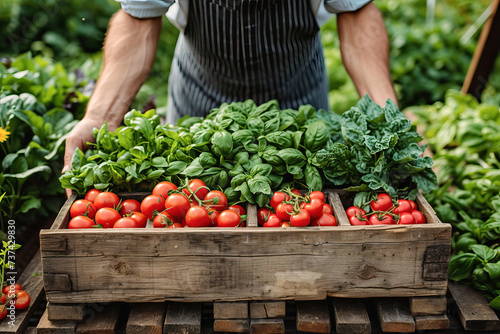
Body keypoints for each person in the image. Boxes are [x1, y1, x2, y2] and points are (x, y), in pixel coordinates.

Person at [63, 0, 397, 178]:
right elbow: (139, 17)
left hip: (297, 111)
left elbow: (356, 11)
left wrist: (390, 125)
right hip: (201, 101)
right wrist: (99, 118)